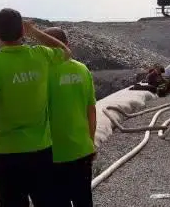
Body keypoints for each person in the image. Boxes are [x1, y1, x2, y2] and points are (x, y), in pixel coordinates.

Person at [0, 8, 71, 207]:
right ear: (22, 33)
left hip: (8, 155)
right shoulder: (41, 54)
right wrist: (34, 32)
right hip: (41, 152)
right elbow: (65, 51)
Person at [44, 27, 97, 207]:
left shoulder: (45, 73)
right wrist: (91, 142)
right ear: (67, 45)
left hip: (54, 153)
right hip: (82, 149)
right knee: (84, 200)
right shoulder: (83, 70)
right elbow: (91, 110)